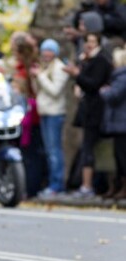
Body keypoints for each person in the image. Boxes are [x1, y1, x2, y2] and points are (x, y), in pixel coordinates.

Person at [64, 32, 113, 197]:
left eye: (92, 41)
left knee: (89, 149)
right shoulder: (87, 60)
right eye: (87, 41)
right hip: (88, 111)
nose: (89, 44)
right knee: (87, 148)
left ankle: (87, 185)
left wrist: (77, 75)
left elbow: (92, 84)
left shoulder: (101, 61)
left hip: (95, 112)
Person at [31, 39, 69, 198]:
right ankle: (52, 183)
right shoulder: (46, 68)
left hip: (55, 114)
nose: (46, 54)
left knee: (54, 151)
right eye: (44, 50)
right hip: (45, 112)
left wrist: (39, 76)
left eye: (50, 50)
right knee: (49, 151)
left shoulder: (60, 68)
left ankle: (57, 185)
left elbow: (55, 91)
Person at [100, 47, 126, 199]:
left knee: (122, 157)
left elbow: (114, 95)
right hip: (118, 123)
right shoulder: (118, 77)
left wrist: (105, 92)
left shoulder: (122, 78)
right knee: (117, 156)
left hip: (121, 123)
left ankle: (122, 186)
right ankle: (117, 185)